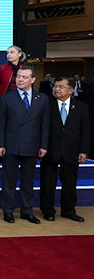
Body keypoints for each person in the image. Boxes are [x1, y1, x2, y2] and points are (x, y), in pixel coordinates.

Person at [0, 66, 48, 224]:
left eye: (24, 77)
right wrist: (0, 144)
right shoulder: (6, 98)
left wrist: (43, 145)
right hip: (11, 145)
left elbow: (45, 125)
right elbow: (0, 123)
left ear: (33, 80)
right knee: (9, 181)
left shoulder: (42, 99)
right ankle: (8, 211)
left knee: (28, 181)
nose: (20, 79)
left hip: (32, 145)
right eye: (18, 76)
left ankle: (27, 211)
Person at [41, 77, 90, 222]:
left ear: (70, 90)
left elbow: (85, 131)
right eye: (55, 86)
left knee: (70, 184)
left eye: (61, 86)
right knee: (48, 183)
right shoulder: (46, 104)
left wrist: (84, 150)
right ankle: (48, 211)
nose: (56, 89)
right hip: (50, 150)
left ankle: (68, 210)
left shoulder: (81, 107)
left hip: (72, 150)